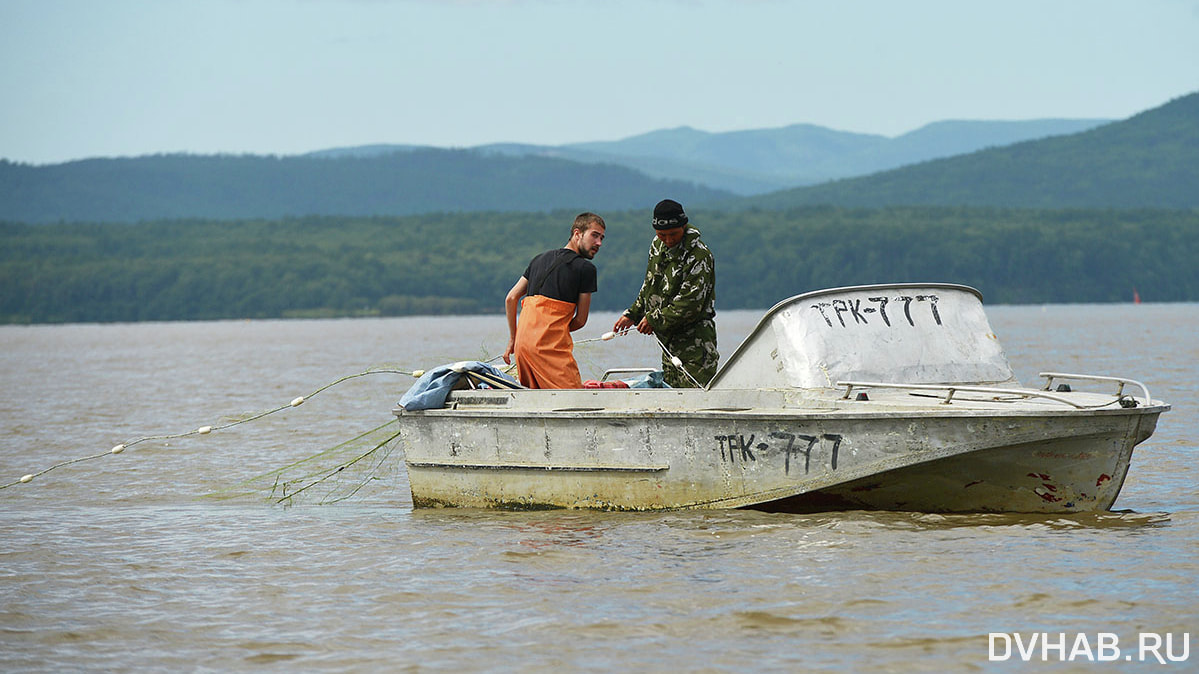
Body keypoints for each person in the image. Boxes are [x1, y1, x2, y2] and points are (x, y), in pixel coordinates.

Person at [613, 199, 718, 388]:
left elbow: (689, 304)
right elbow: (650, 285)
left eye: (673, 234)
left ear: (684, 226)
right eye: (662, 235)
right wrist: (633, 313)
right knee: (670, 397)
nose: (668, 240)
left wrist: (653, 320)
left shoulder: (699, 255)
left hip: (696, 347)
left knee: (693, 400)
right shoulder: (657, 246)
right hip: (668, 344)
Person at [503, 212, 606, 388]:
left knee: (536, 400)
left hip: (522, 346)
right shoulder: (586, 269)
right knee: (574, 399)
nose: (599, 243)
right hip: (548, 349)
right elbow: (580, 320)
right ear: (577, 233)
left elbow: (511, 298)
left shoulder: (538, 259)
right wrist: (552, 332)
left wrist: (513, 339)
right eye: (594, 235)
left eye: (602, 238)